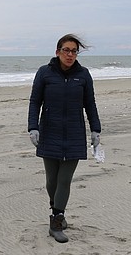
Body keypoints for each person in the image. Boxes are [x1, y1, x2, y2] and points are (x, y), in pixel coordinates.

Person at [27, 34, 102, 243]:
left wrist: (96, 130)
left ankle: (56, 222)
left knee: (64, 179)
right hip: (49, 132)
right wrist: (33, 127)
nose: (70, 54)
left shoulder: (84, 75)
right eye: (66, 50)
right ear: (57, 52)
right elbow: (35, 102)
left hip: (74, 134)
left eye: (74, 51)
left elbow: (90, 104)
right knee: (51, 180)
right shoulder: (44, 73)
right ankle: (57, 211)